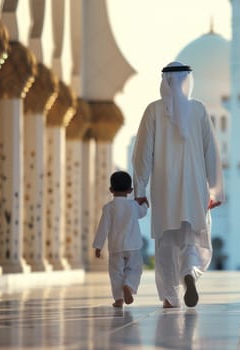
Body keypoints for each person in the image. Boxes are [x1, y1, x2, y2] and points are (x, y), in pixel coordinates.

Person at [132, 61, 224, 308]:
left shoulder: (153, 111)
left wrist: (140, 190)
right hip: (194, 185)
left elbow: (142, 154)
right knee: (191, 238)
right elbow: (211, 152)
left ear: (165, 82)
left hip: (164, 187)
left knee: (166, 242)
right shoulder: (199, 110)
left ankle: (171, 297)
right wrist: (214, 190)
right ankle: (190, 273)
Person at [93, 170, 149, 307]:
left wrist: (98, 246)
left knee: (115, 273)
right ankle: (129, 286)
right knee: (135, 269)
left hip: (115, 247)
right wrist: (145, 203)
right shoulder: (133, 206)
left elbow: (103, 228)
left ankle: (119, 299)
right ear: (130, 190)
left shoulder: (108, 208)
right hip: (133, 246)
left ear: (111, 189)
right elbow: (142, 213)